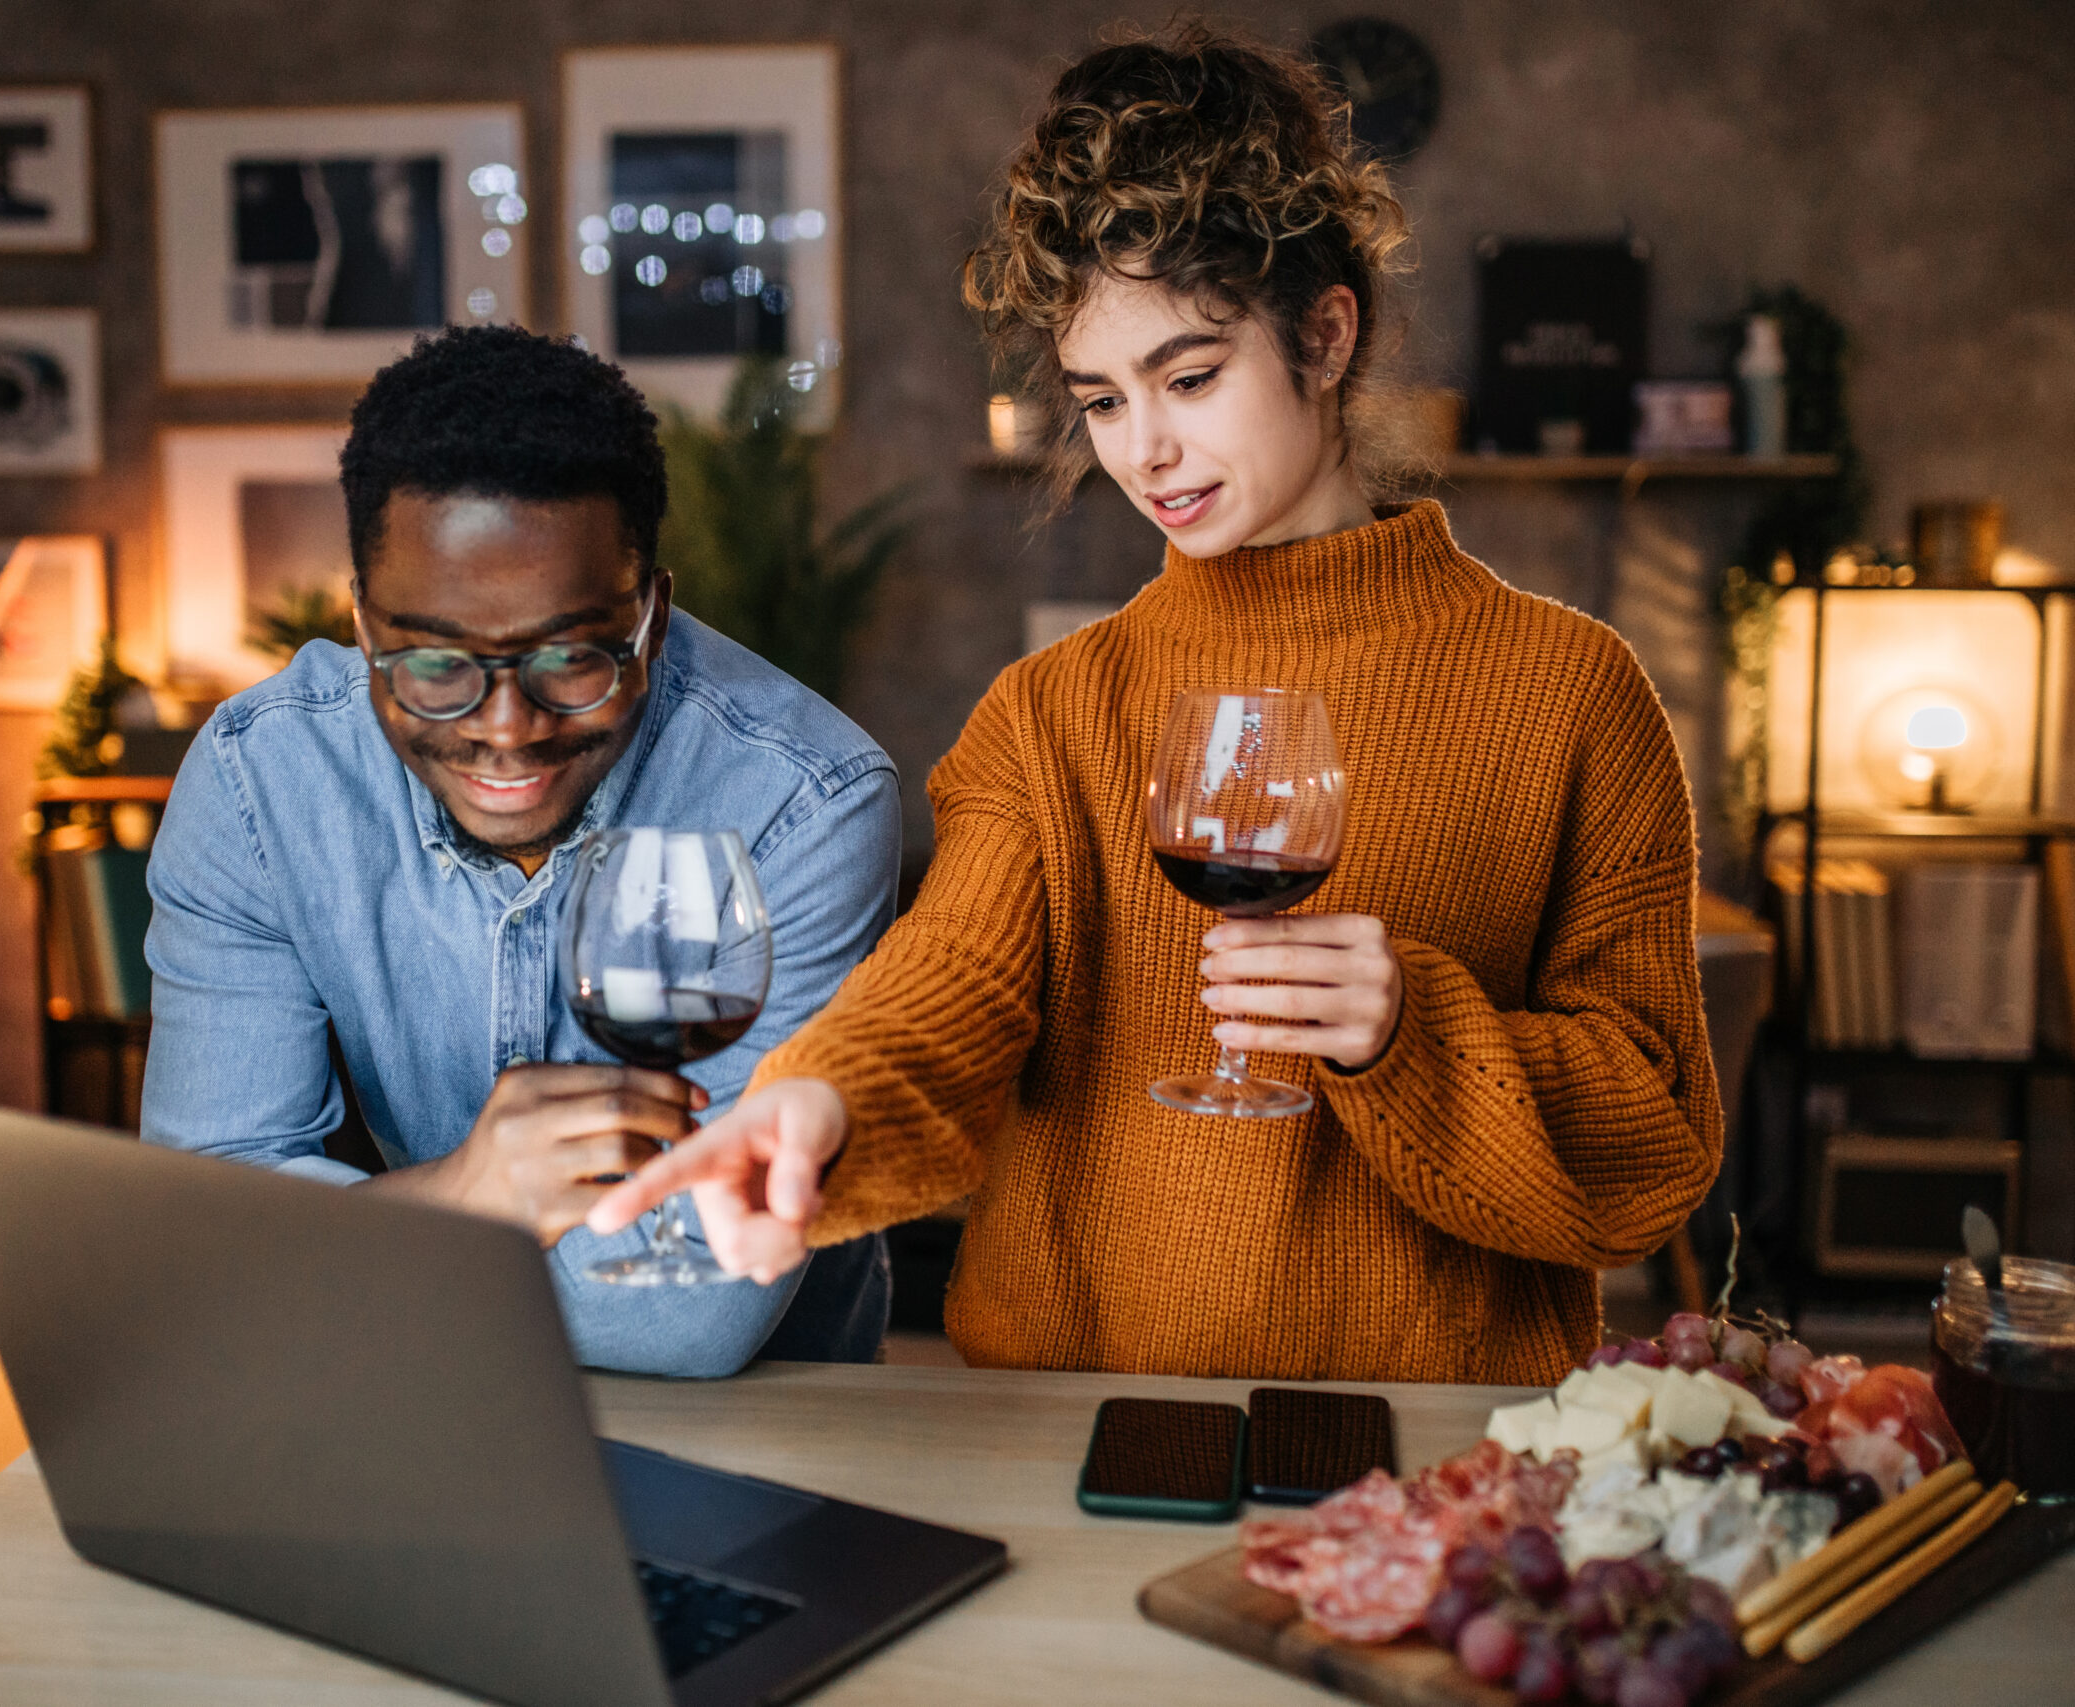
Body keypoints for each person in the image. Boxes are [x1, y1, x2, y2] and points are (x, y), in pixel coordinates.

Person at [592, 26, 1723, 1387]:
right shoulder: (1049, 710)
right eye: (1103, 399)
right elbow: (949, 991)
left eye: (1190, 377)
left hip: (1436, 1448)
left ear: (1326, 331)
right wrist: (814, 1103)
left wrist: (1410, 1032)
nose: (1148, 450)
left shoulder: (1572, 691)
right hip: (1077, 1433)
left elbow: (1655, 1146)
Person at [142, 325, 898, 1377]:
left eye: (573, 657)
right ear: (363, 627)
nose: (507, 728)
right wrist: (463, 1195)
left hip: (768, 1424)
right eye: (439, 663)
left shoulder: (802, 802)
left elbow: (691, 1314)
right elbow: (203, 1226)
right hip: (412, 1398)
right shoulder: (260, 782)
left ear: (654, 618)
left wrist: (335, 1251)